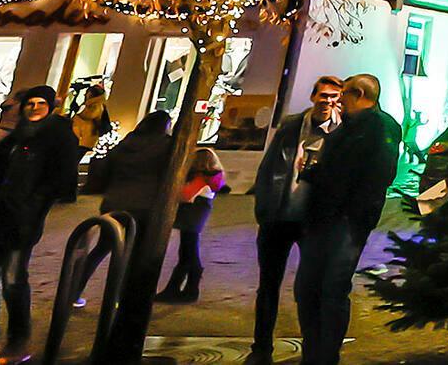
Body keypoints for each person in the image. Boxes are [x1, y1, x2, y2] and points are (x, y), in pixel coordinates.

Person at [0, 85, 82, 358]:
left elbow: (61, 182)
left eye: (41, 104)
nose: (34, 108)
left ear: (51, 107)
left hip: (21, 221)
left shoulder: (57, 137)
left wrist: (32, 205)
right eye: (30, 103)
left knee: (13, 278)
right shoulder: (13, 137)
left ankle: (18, 339)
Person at [295, 74, 401, 365]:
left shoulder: (380, 127)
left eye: (344, 95)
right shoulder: (347, 128)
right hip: (323, 219)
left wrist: (353, 214)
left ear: (359, 94)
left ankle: (325, 356)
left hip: (345, 221)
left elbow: (377, 175)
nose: (338, 100)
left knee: (332, 287)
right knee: (308, 287)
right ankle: (313, 351)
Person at [249, 76, 345, 364]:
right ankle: (261, 347)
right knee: (268, 285)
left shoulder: (342, 132)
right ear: (313, 96)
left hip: (313, 221)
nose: (328, 101)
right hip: (279, 216)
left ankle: (311, 349)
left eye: (334, 97)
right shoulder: (293, 126)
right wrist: (264, 211)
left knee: (311, 287)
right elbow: (268, 169)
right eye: (324, 95)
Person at [75, 109, 173, 308]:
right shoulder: (167, 145)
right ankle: (123, 298)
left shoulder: (127, 142)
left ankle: (74, 291)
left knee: (103, 247)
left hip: (115, 201)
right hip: (146, 205)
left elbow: (105, 170)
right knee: (137, 255)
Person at [156, 146, 227, 302]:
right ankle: (181, 289)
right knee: (188, 252)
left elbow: (185, 195)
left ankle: (185, 289)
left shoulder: (200, 178)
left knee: (188, 253)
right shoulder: (211, 177)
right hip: (195, 218)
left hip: (191, 218)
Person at [68, 85, 114, 153]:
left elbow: (88, 115)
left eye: (87, 93)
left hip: (86, 138)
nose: (85, 95)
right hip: (81, 137)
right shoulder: (89, 105)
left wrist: (78, 113)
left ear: (92, 95)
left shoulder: (96, 106)